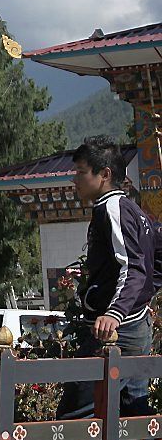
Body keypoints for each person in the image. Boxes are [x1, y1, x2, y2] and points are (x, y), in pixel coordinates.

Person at [56, 135, 156, 420]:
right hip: (135, 326)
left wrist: (116, 312)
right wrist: (142, 300)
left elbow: (133, 267)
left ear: (104, 175)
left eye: (80, 172)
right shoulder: (136, 211)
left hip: (114, 333)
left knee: (75, 418)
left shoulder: (113, 209)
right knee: (131, 417)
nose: (74, 179)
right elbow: (156, 260)